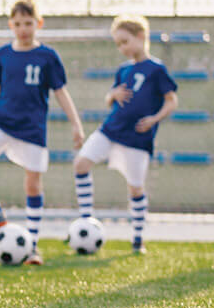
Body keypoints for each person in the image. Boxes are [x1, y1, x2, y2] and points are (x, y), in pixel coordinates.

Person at [0, 0, 85, 265]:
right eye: (17, 24)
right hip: (2, 120)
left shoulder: (47, 57)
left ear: (38, 23)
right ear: (10, 25)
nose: (23, 29)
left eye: (28, 23)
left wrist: (76, 123)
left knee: (32, 183)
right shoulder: (3, 54)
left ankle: (33, 246)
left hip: (31, 128)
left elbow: (60, 92)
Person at [72, 15, 178, 254]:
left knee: (135, 189)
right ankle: (87, 223)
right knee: (81, 163)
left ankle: (138, 239)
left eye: (125, 41)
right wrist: (113, 95)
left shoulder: (156, 69)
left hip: (137, 138)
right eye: (118, 44)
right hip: (110, 130)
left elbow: (172, 101)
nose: (122, 48)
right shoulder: (123, 70)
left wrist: (154, 119)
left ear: (141, 37)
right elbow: (111, 97)